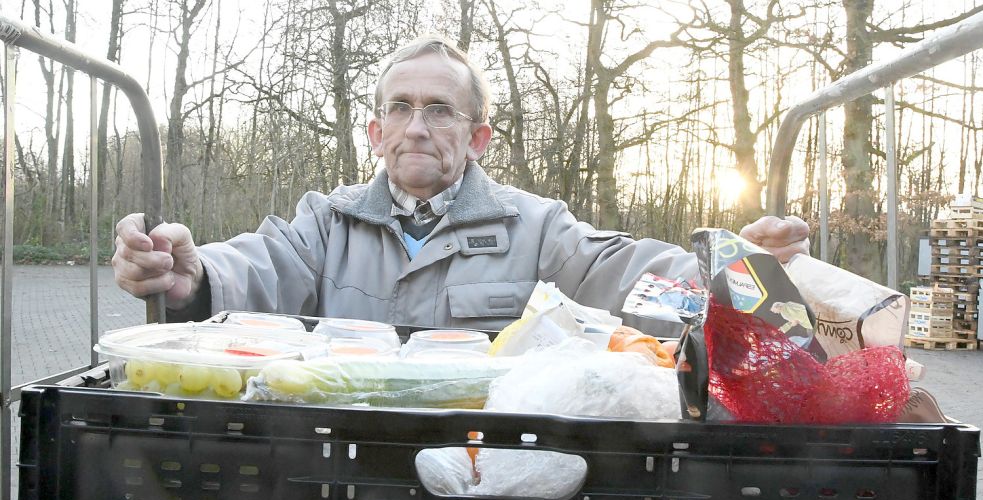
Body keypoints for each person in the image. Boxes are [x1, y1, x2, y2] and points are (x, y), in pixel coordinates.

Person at [113, 36, 808, 336]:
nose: (417, 127)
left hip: (486, 481)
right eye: (400, 107)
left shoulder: (536, 229)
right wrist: (191, 274)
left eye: (440, 109)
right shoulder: (324, 223)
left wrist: (728, 266)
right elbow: (256, 265)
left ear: (478, 137)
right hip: (347, 472)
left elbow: (623, 269)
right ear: (373, 131)